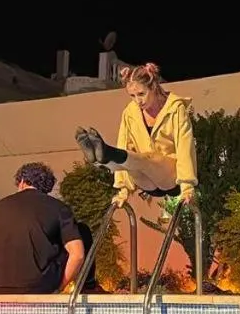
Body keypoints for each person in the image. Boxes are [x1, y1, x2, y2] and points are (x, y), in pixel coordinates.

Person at [75, 62, 197, 209]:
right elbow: (124, 145)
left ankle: (107, 153)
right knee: (131, 162)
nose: (137, 101)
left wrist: (187, 187)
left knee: (148, 158)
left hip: (171, 177)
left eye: (141, 94)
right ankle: (103, 158)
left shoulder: (175, 109)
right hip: (147, 181)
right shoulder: (130, 112)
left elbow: (185, 147)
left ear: (153, 87)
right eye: (132, 96)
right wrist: (123, 191)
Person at [0, 162, 84, 294]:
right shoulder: (59, 208)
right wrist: (59, 287)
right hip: (40, 286)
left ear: (22, 181)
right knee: (79, 233)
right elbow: (78, 254)